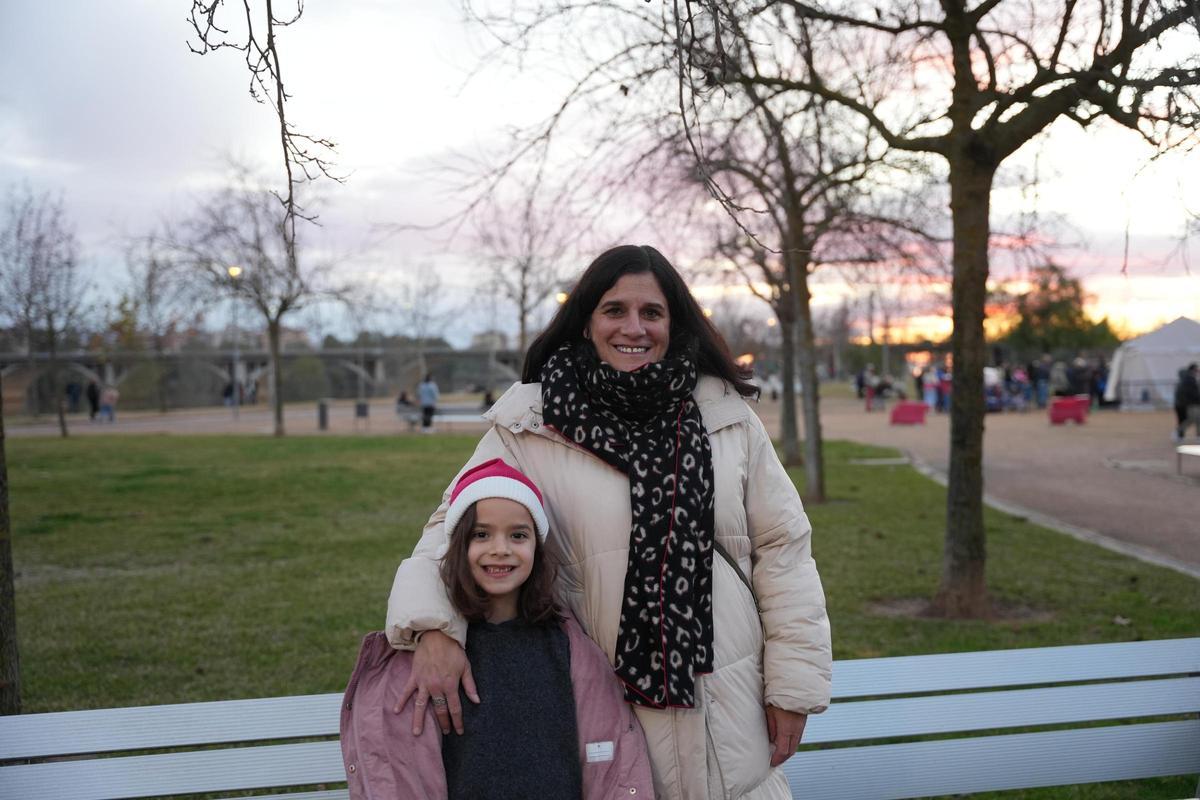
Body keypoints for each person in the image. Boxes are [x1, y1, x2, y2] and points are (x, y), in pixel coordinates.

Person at [387, 244, 831, 800]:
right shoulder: (529, 425)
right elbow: (447, 533)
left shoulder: (725, 417)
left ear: (674, 321)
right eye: (614, 310)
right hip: (596, 708)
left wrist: (792, 687)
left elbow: (784, 550)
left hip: (728, 708)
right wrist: (433, 628)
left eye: (652, 312)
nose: (634, 328)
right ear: (587, 321)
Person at [343, 458, 653, 799]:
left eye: (518, 535)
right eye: (481, 534)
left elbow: (609, 756)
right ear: (459, 546)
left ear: (537, 546)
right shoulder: (435, 655)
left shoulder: (568, 644)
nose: (500, 549)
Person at [1173, 362, 1200, 442]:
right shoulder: (1189, 379)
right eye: (1197, 370)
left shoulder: (1188, 379)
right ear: (1193, 370)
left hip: (1187, 403)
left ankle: (1179, 433)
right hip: (1191, 404)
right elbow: (1193, 393)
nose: (1198, 372)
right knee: (1193, 419)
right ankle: (1179, 432)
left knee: (1192, 419)